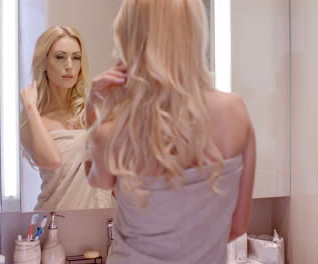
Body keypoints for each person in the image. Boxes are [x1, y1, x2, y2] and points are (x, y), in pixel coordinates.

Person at [85, 0, 256, 263]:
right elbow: (237, 228)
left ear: (132, 37)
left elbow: (97, 181)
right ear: (195, 31)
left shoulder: (116, 132)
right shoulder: (236, 112)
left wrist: (94, 111)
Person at [20, 26, 114, 211]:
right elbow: (52, 160)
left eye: (76, 58)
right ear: (44, 63)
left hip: (104, 225)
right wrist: (31, 108)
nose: (69, 65)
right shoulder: (31, 122)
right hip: (55, 226)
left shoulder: (95, 111)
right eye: (60, 57)